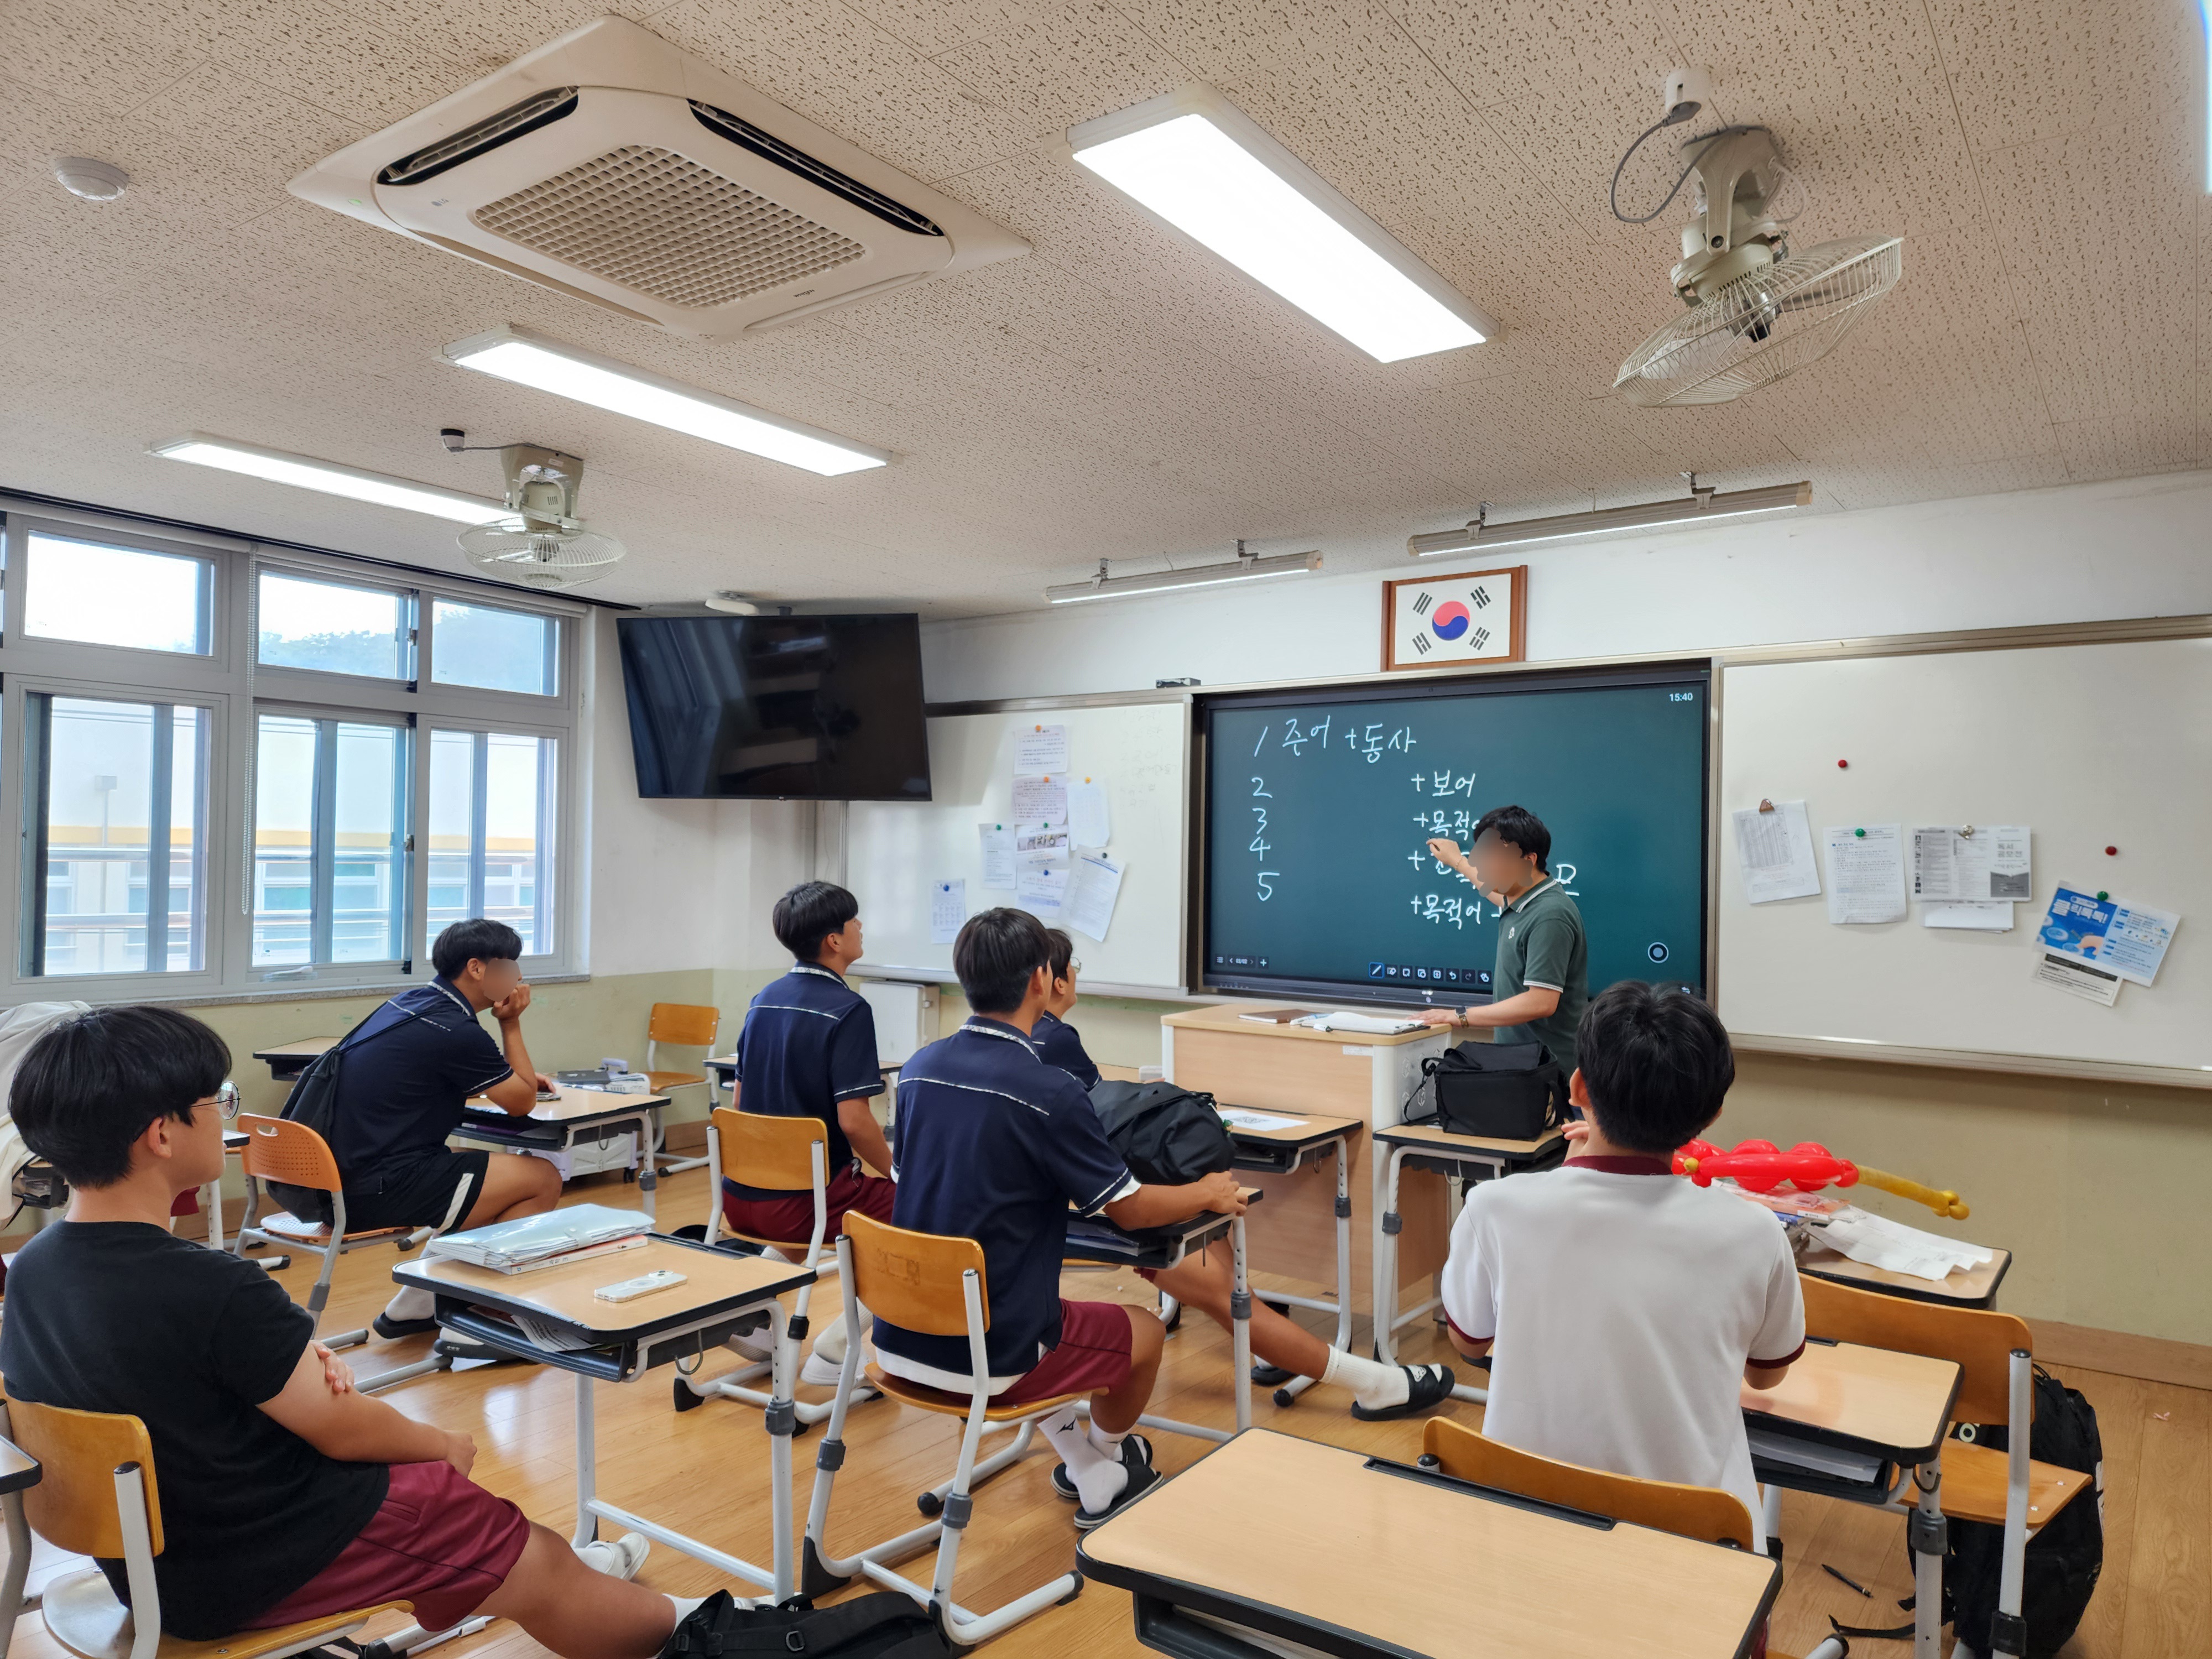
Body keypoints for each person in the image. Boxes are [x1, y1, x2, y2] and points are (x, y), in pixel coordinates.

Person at [0, 1005, 700, 1658]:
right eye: (217, 1102)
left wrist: (281, 1361)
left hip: (153, 1567)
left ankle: (554, 1575)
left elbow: (156, 1375)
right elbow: (346, 1432)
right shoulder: (213, 1286)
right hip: (249, 1563)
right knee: (488, 1524)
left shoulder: (31, 1268)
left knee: (456, 1512)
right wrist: (441, 1445)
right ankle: (691, 1625)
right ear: (162, 1134)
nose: (225, 1117)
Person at [878, 908, 1241, 1529]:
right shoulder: (1049, 1091)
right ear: (1042, 981)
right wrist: (1204, 1192)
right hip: (992, 1350)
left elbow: (910, 1180)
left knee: (1044, 1310)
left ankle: (1091, 1466)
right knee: (1146, 1333)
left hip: (899, 1334)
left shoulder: (917, 1070)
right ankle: (1104, 1465)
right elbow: (1129, 1209)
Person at [1032, 926, 1452, 1426]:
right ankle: (1376, 1384)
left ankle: (1272, 1348)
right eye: (1074, 967)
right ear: (1053, 981)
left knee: (1227, 1279)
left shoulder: (991, 1053)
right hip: (1095, 1212)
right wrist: (1200, 1193)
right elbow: (1106, 1152)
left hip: (1062, 1215)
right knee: (1229, 1292)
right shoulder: (1054, 1040)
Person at [1437, 980, 1804, 1543]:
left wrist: (1571, 1171)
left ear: (1578, 1088)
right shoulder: (1755, 1232)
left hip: (1526, 1527)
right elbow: (1766, 1372)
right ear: (1711, 1115)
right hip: (1696, 1542)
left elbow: (1469, 1343)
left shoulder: (1494, 1207)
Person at [332, 918, 565, 1341]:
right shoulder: (455, 1029)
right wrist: (511, 1024)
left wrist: (504, 1078)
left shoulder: (411, 1004)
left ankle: (420, 1302)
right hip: (374, 1187)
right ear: (477, 968)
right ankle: (487, 1317)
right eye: (511, 966)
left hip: (339, 1175)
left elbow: (428, 1076)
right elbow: (521, 1104)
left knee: (488, 1182)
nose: (519, 977)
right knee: (540, 1178)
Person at [724, 881, 896, 1385]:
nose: (861, 926)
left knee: (817, 1195)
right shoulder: (849, 1009)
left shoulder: (763, 1000)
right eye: (854, 921)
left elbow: (739, 1105)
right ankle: (836, 1349)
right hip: (806, 1203)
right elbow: (855, 1122)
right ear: (834, 941)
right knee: (924, 1211)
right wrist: (899, 1172)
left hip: (740, 1198)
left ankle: (755, 1318)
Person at [1420, 803, 1590, 1077]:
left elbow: (1541, 1002)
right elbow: (1494, 893)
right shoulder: (1522, 899)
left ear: (1528, 860)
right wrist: (1458, 861)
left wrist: (1459, 1016)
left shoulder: (1550, 915)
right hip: (1522, 1068)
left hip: (1549, 1076)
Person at [1032, 930, 1100, 1090]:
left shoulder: (1020, 1026)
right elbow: (1099, 1094)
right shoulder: (1059, 1037)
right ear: (1060, 984)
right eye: (1072, 967)